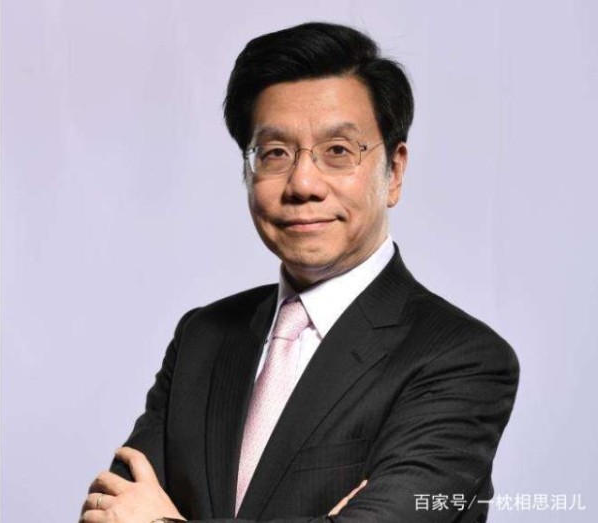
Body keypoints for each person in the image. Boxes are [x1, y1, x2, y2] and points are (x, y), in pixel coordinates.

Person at [80, 21, 519, 523]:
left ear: (394, 172)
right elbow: (108, 512)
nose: (303, 183)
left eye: (338, 151)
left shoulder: (461, 358)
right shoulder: (202, 337)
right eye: (275, 153)